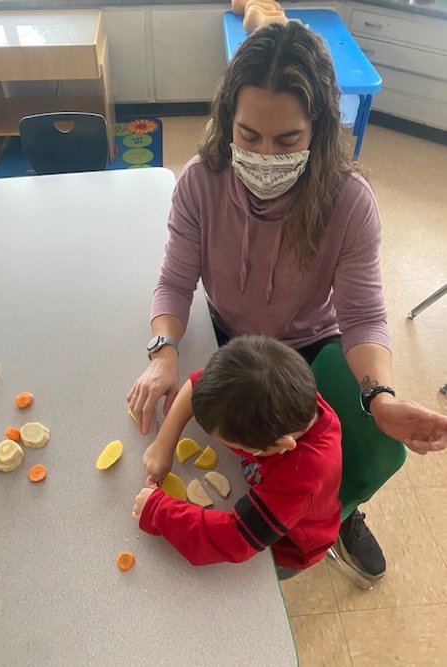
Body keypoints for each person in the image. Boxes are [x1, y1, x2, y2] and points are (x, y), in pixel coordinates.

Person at [127, 22, 447, 580]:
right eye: (248, 136)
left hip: (311, 348)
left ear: (318, 131)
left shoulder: (348, 201)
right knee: (247, 448)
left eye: (286, 141)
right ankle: (296, 500)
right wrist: (164, 350)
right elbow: (175, 279)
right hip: (231, 337)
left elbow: (365, 314)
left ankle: (337, 514)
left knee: (334, 455)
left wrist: (380, 392)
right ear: (227, 119)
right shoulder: (201, 182)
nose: (263, 156)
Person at [133, 335, 343, 577]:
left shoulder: (302, 477)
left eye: (229, 443)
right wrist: (163, 444)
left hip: (287, 542)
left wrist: (158, 510)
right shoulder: (282, 394)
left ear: (282, 444)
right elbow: (197, 384)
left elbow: (235, 539)